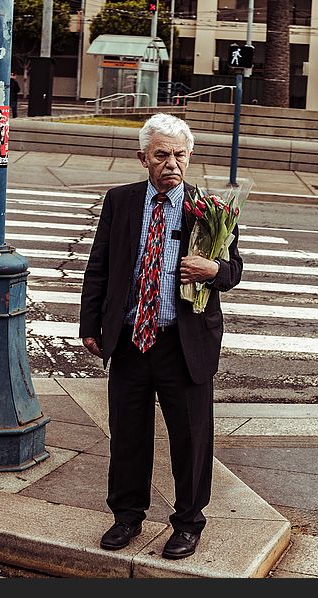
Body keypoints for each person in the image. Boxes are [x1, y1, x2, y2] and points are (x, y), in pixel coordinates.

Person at [79, 113, 243, 560]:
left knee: (191, 438)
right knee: (128, 434)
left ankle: (189, 523)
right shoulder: (121, 202)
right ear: (143, 158)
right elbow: (100, 267)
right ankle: (127, 516)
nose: (172, 163)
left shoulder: (211, 209)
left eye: (179, 154)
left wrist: (214, 270)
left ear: (189, 157)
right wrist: (90, 326)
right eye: (161, 155)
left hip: (182, 343)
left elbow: (234, 270)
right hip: (132, 340)